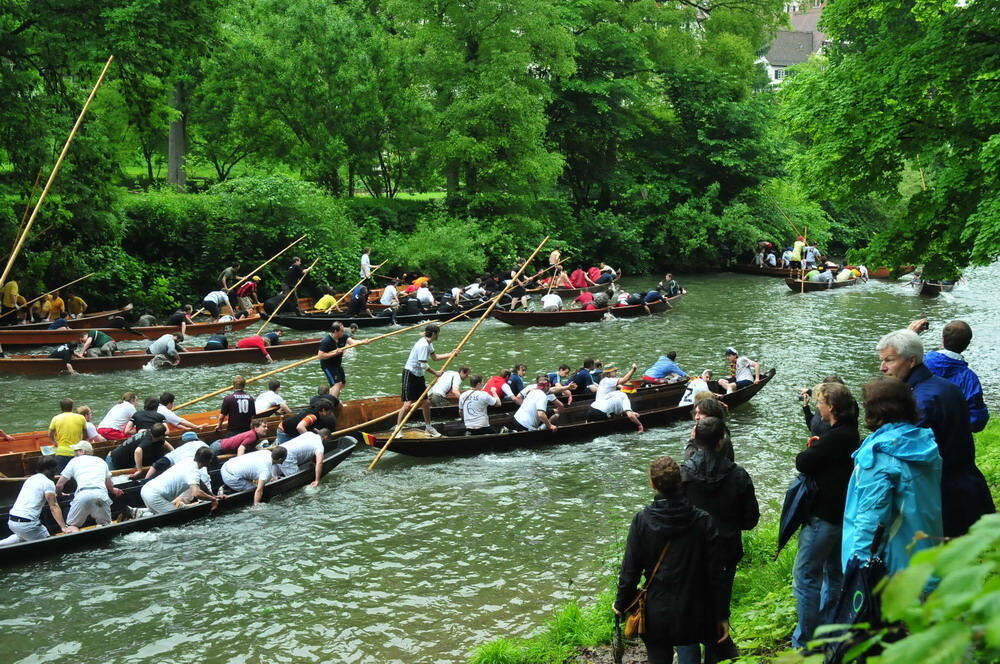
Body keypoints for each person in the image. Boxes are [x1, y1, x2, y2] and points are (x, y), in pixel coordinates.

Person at [876, 329, 994, 536]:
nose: (882, 367)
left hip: (943, 498)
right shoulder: (942, 387)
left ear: (911, 361)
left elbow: (903, 452)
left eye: (889, 360)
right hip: (965, 488)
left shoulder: (920, 400)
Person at [614, 456, 729, 664]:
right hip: (695, 610)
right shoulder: (703, 520)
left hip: (657, 613)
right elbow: (716, 575)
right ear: (680, 482)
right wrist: (721, 615)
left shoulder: (642, 520)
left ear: (653, 484)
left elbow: (630, 571)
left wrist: (621, 604)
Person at [842, 377, 943, 575]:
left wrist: (858, 572)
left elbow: (871, 520)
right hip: (927, 558)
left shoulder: (879, 456)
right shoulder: (925, 443)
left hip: (892, 572)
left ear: (873, 410)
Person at [678, 417, 759, 664]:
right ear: (722, 441)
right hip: (725, 551)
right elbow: (750, 520)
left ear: (695, 439)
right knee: (718, 609)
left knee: (688, 609)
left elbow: (673, 515)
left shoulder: (682, 474)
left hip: (690, 553)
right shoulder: (739, 475)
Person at [791, 382, 860, 649]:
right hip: (841, 512)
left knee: (806, 576)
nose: (817, 405)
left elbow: (803, 461)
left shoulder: (834, 437)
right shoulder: (849, 431)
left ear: (830, 407)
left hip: (823, 516)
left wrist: (811, 448)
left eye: (819, 402)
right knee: (833, 574)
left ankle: (807, 641)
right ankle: (829, 632)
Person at [915, 319, 989, 432]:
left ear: (942, 340)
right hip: (950, 440)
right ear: (967, 344)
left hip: (918, 433)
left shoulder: (920, 363)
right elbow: (978, 419)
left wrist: (912, 334)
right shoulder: (969, 378)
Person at [398, 324, 459, 437]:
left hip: (419, 375)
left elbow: (435, 358)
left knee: (426, 402)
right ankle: (398, 430)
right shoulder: (423, 345)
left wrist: (450, 354)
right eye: (438, 333)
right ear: (434, 334)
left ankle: (429, 428)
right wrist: (436, 373)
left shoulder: (429, 344)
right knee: (407, 404)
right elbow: (423, 365)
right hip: (410, 374)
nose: (438, 336)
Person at [0, 456, 72, 545]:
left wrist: (58, 493)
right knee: (50, 545)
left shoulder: (31, 479)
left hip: (12, 521)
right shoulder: (48, 482)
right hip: (27, 524)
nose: (55, 471)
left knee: (21, 537)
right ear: (51, 469)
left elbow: (40, 494)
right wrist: (63, 527)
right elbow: (54, 506)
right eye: (54, 469)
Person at [57, 441, 124, 530]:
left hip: (83, 495)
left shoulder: (74, 461)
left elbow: (59, 485)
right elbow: (109, 483)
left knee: (72, 526)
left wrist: (60, 494)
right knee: (106, 525)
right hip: (100, 495)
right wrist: (113, 490)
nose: (74, 453)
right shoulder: (100, 461)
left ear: (83, 451)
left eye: (76, 451)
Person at [141, 447, 218, 514]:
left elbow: (200, 483)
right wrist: (213, 500)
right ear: (208, 461)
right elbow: (196, 493)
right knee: (179, 517)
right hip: (154, 495)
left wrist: (213, 496)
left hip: (146, 489)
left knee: (155, 512)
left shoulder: (188, 460)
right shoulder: (193, 471)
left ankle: (138, 511)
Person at [220, 446, 287, 505]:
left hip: (226, 465)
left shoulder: (266, 452)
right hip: (230, 477)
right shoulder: (266, 471)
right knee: (255, 489)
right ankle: (227, 490)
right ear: (280, 459)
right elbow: (259, 490)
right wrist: (256, 505)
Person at [106, 423, 173, 478]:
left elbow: (165, 443)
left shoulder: (149, 433)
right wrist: (139, 470)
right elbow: (138, 451)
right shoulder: (148, 441)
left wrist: (174, 452)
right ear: (162, 435)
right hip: (114, 463)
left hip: (117, 458)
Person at [318, 322, 365, 397]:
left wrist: (363, 342)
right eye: (342, 331)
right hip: (328, 365)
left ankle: (328, 398)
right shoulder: (326, 341)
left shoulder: (343, 337)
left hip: (337, 364)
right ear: (336, 331)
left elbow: (353, 342)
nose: (344, 332)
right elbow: (320, 356)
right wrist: (334, 353)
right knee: (337, 384)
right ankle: (332, 403)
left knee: (342, 384)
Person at [144, 430, 210, 480]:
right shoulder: (204, 445)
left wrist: (145, 480)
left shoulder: (178, 450)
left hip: (183, 479)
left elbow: (157, 464)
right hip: (202, 477)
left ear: (183, 441)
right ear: (197, 439)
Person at [49, 398, 86, 472]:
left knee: (61, 476)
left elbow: (50, 434)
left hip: (62, 452)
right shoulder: (81, 418)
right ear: (72, 407)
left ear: (61, 407)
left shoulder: (56, 418)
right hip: (77, 452)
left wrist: (54, 442)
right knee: (78, 474)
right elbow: (85, 434)